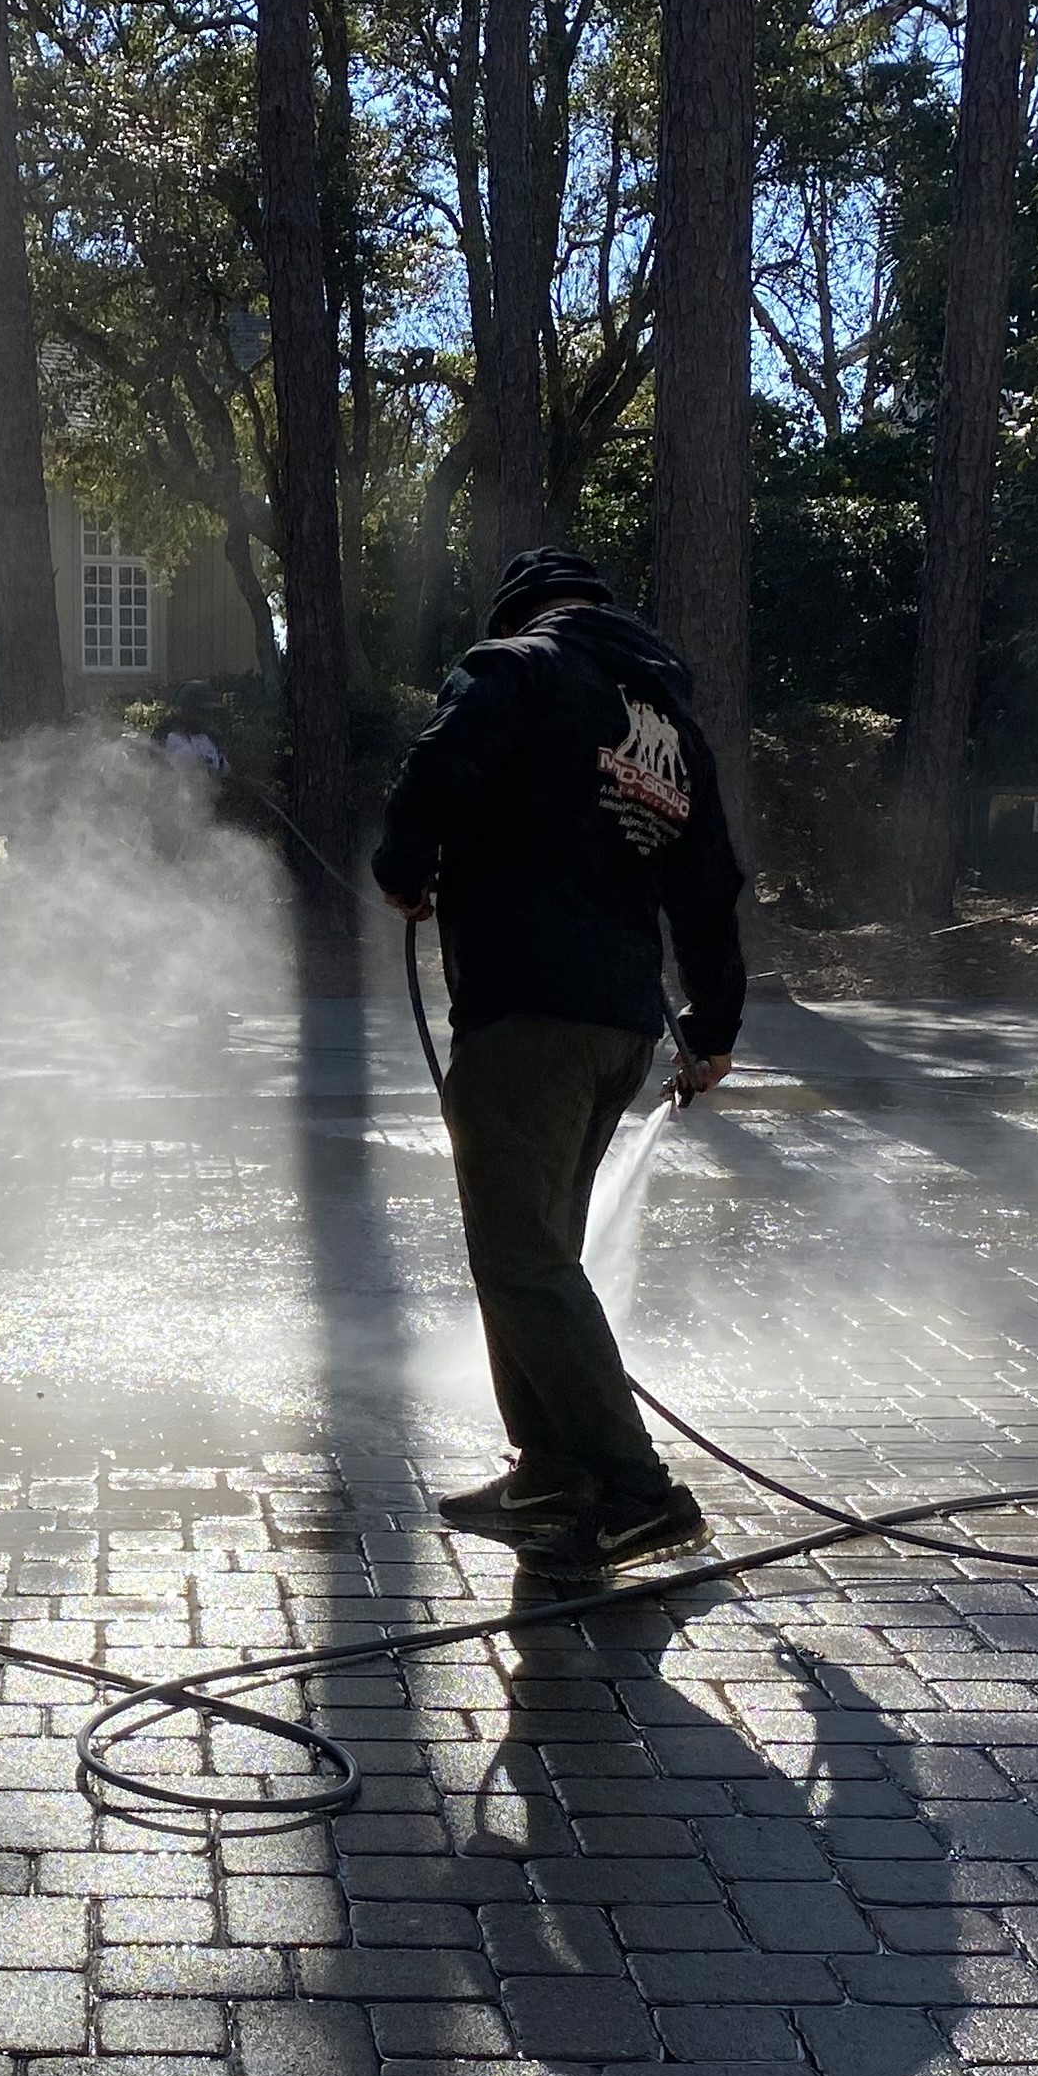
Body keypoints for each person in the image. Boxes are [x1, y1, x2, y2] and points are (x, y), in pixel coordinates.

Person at [374, 546, 746, 1566]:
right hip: (620, 1026)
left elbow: (438, 767)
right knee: (535, 1251)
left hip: (526, 1016)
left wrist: (402, 869)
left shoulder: (519, 667)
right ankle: (551, 1472)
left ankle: (636, 1488)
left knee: (522, 1256)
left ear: (526, 609)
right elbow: (707, 885)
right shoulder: (667, 727)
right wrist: (712, 1028)